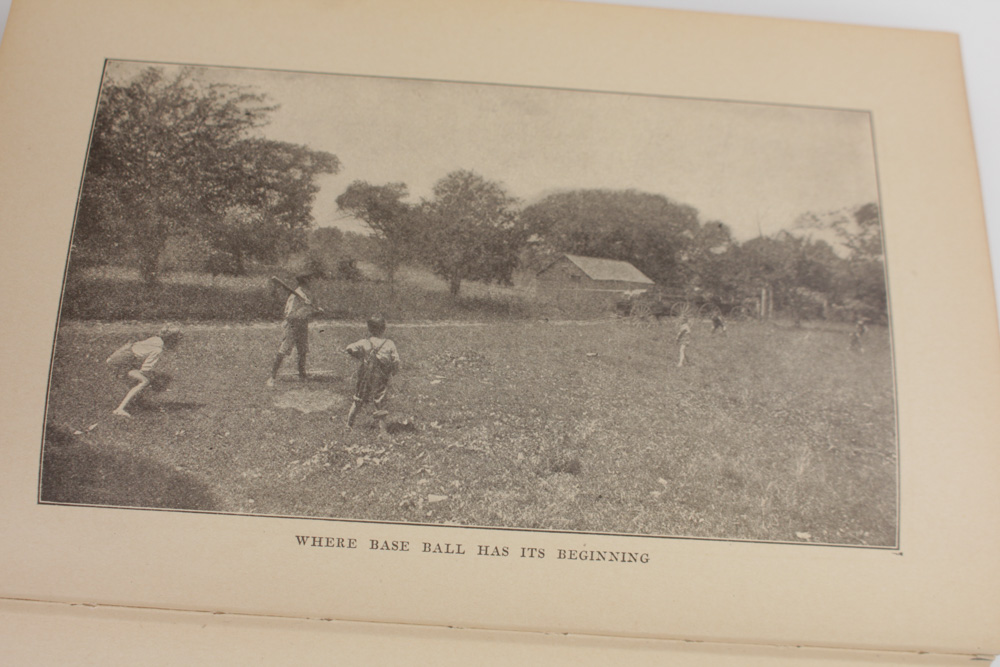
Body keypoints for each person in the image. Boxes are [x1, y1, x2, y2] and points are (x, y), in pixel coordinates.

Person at [106, 324, 182, 417]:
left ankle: (138, 402)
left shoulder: (155, 339)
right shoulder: (158, 349)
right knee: (144, 381)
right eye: (176, 337)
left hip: (119, 358)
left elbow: (133, 347)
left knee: (140, 381)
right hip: (123, 362)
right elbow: (146, 369)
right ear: (171, 338)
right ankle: (120, 409)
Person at [344, 316, 400, 429]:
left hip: (365, 375)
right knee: (380, 401)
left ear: (369, 329)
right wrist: (394, 370)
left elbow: (349, 348)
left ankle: (349, 425)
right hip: (381, 376)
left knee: (358, 399)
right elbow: (396, 360)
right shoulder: (389, 343)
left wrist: (359, 356)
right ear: (384, 328)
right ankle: (383, 429)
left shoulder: (365, 342)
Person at [268, 273, 322, 386]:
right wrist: (304, 310)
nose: (312, 281)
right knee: (284, 350)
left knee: (303, 351)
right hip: (292, 325)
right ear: (304, 281)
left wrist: (316, 311)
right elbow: (288, 314)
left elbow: (311, 311)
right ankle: (272, 377)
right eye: (310, 279)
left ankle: (302, 375)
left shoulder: (308, 294)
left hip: (303, 324)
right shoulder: (295, 295)